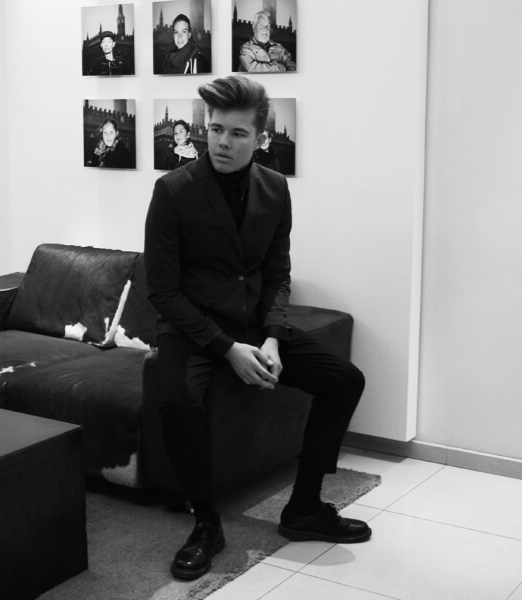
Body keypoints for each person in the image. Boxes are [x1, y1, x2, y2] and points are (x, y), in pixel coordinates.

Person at [144, 75, 368, 581]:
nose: (222, 142)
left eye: (237, 133)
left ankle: (304, 507)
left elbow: (277, 274)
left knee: (345, 380)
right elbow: (163, 292)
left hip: (252, 325)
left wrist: (271, 337)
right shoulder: (173, 190)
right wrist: (227, 348)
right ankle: (206, 524)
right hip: (192, 328)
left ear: (260, 138)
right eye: (215, 129)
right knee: (176, 400)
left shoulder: (275, 188)